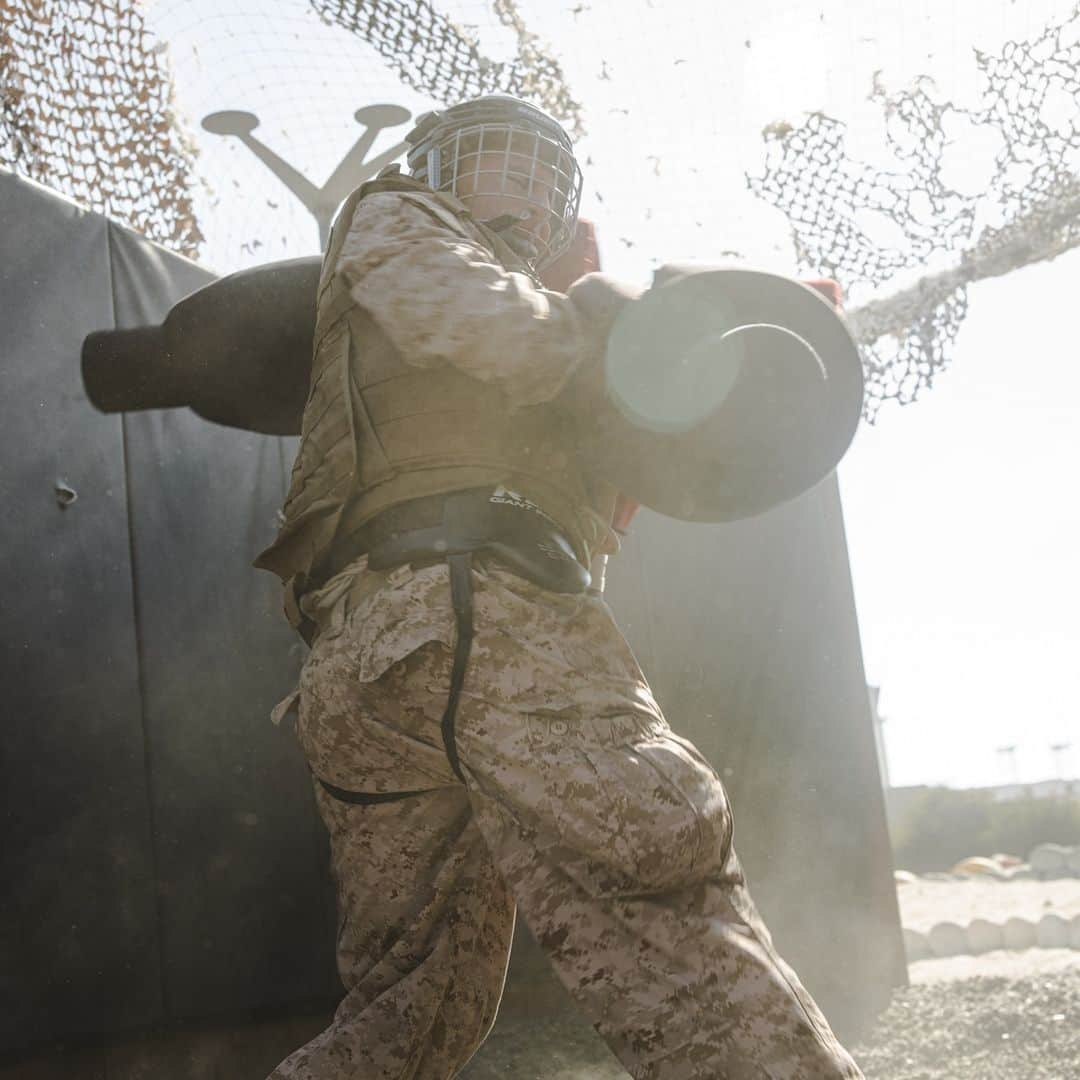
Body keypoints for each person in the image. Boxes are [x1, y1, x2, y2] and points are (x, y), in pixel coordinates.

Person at [258, 94, 864, 1079]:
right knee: (667, 906)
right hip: (478, 622)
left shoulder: (540, 321)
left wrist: (721, 354)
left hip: (383, 670)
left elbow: (636, 489)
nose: (532, 189)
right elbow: (502, 332)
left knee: (417, 1005)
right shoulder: (401, 215)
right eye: (509, 162)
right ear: (445, 164)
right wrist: (627, 334)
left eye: (550, 175)